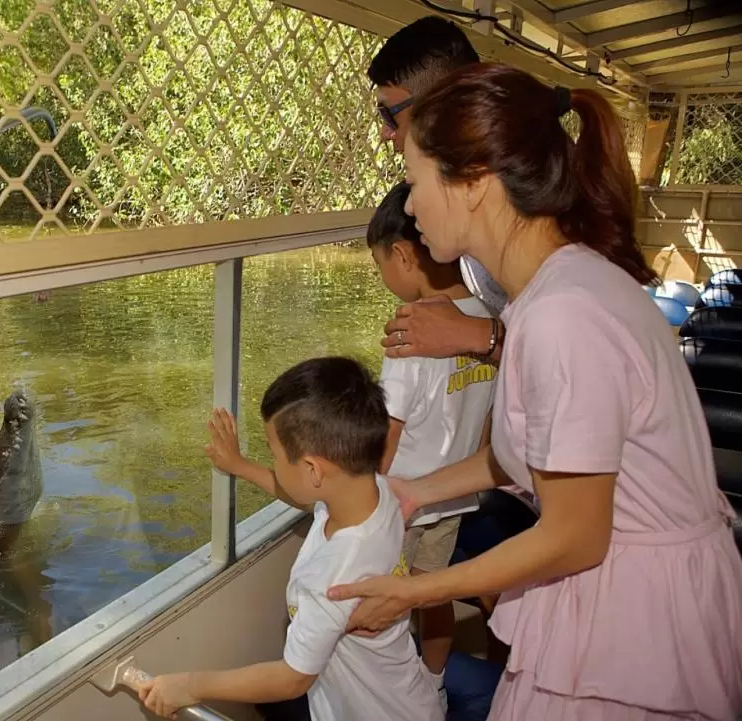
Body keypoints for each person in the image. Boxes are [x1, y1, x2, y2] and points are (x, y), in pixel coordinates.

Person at [327, 62, 742, 720]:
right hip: (625, 587)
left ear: (473, 184)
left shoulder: (562, 316)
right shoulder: (547, 293)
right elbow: (529, 454)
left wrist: (417, 590)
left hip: (633, 620)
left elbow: (577, 535)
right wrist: (415, 491)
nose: (408, 206)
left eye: (414, 181)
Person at [138, 357, 443, 721]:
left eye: (274, 453)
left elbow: (290, 680)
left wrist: (190, 684)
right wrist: (241, 465)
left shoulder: (332, 579)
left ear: (314, 468)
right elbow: (308, 496)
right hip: (406, 697)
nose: (274, 461)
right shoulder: (373, 492)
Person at [367, 180, 496, 710]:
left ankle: (389, 696)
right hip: (456, 495)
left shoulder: (410, 335)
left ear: (402, 255)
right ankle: (435, 686)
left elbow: (387, 438)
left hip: (402, 502)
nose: (383, 278)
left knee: (387, 603)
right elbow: (489, 422)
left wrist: (361, 504)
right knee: (434, 595)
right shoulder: (486, 318)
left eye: (380, 264)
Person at [368, 16, 508, 363]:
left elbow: (575, 360)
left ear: (438, 108)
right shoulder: (471, 234)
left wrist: (473, 334)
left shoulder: (523, 211)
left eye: (389, 115)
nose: (387, 133)